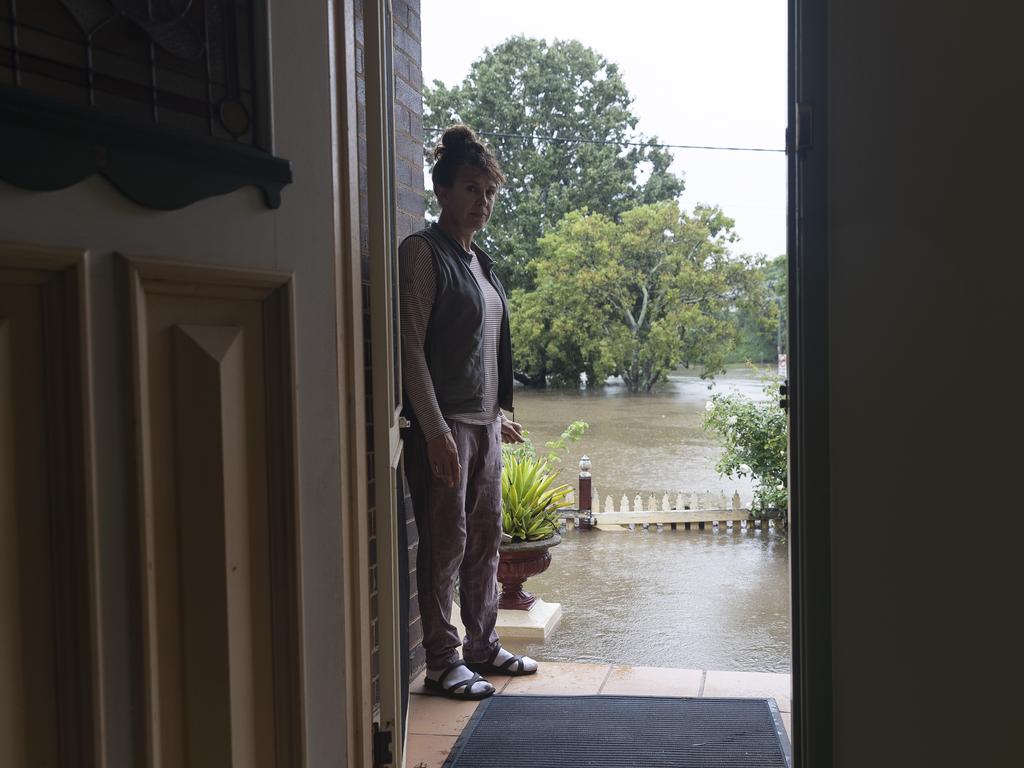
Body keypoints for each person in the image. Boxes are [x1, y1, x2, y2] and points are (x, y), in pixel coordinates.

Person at [400, 125, 538, 700]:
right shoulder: (422, 253)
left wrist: (493, 414)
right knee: (444, 541)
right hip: (443, 429)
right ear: (441, 190)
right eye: (470, 188)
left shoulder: (482, 263)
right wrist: (434, 430)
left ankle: (482, 646)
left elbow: (477, 350)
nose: (481, 202)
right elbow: (409, 345)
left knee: (486, 538)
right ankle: (442, 660)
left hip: (482, 426)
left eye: (489, 192)